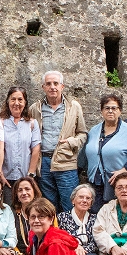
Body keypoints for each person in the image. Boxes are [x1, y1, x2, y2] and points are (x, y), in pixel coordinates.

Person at [29, 71, 87, 213]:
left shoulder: (73, 107)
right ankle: (52, 235)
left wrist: (72, 142)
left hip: (65, 161)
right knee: (49, 207)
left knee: (70, 204)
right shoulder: (35, 109)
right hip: (43, 163)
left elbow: (83, 133)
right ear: (43, 87)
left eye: (56, 83)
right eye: (48, 84)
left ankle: (69, 235)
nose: (52, 87)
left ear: (62, 86)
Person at [82, 93, 127, 211]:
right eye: (107, 108)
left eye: (114, 108)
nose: (110, 111)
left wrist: (124, 170)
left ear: (120, 111)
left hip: (116, 183)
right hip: (95, 182)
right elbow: (86, 152)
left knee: (114, 213)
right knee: (95, 213)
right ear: (101, 111)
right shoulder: (94, 130)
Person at [0, 86, 40, 205]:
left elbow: (36, 148)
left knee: (27, 208)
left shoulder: (32, 123)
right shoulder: (0, 122)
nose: (16, 103)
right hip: (6, 177)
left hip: (26, 176)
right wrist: (0, 172)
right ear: (8, 101)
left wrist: (30, 175)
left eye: (20, 100)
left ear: (25, 102)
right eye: (13, 99)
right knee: (8, 208)